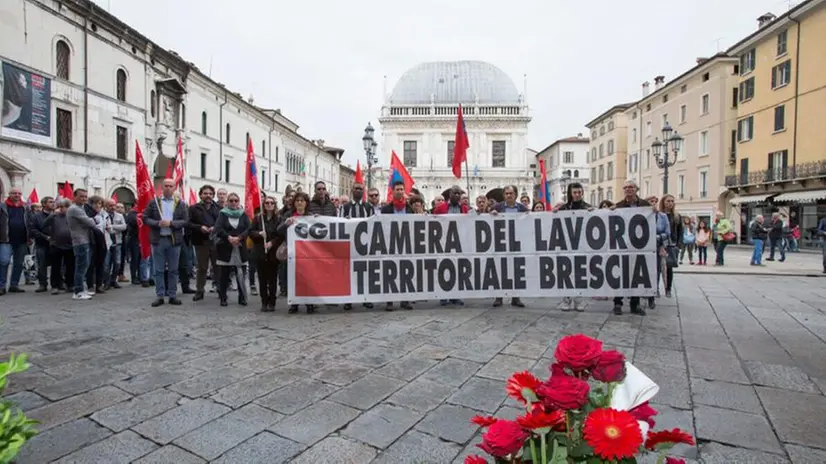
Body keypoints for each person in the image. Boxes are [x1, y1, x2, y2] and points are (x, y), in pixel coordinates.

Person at [143, 178, 189, 307]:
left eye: (171, 186)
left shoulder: (180, 203)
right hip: (158, 240)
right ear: (161, 188)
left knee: (173, 270)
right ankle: (160, 295)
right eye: (166, 186)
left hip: (174, 241)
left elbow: (185, 220)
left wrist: (172, 223)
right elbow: (146, 218)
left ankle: (172, 295)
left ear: (174, 188)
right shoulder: (154, 203)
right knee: (158, 270)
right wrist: (157, 223)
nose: (168, 188)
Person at [611, 180, 649, 316]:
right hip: (622, 246)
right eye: (626, 187)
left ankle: (635, 304)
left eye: (631, 187)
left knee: (636, 276)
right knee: (619, 275)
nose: (628, 189)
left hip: (639, 246)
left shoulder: (645, 206)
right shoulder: (618, 206)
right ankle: (617, 303)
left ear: (636, 189)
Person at [490, 185, 527, 308]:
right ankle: (498, 297)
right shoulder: (497, 207)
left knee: (516, 270)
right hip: (501, 242)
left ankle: (515, 297)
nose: (509, 195)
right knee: (500, 269)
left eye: (511, 193)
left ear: (515, 195)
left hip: (516, 243)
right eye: (507, 193)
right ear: (504, 195)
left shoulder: (522, 208)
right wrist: (491, 213)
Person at [555, 182, 591, 311]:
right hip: (566, 245)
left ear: (582, 193)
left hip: (582, 245)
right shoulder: (564, 208)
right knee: (566, 273)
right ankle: (566, 299)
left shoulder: (588, 207)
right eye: (575, 192)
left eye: (579, 192)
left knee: (580, 273)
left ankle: (579, 300)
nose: (577, 195)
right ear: (571, 193)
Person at [277, 191, 315, 314]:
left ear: (306, 203)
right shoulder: (288, 215)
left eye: (302, 200)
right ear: (294, 203)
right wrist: (286, 223)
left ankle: (310, 304)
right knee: (293, 278)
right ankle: (294, 304)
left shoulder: (311, 216)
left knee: (308, 279)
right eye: (297, 200)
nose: (299, 203)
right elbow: (279, 230)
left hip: (307, 253)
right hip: (292, 252)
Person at [339, 182, 374, 311]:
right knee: (349, 273)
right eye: (356, 189)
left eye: (361, 189)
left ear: (363, 191)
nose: (358, 191)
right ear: (352, 190)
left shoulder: (368, 207)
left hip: (365, 244)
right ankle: (348, 299)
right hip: (349, 244)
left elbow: (373, 223)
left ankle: (366, 298)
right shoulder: (345, 207)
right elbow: (339, 223)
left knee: (365, 272)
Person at [380, 181, 414, 311]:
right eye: (397, 189)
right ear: (392, 191)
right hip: (390, 245)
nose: (400, 192)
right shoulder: (386, 210)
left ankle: (405, 300)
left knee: (406, 272)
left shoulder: (409, 209)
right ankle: (389, 301)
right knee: (390, 272)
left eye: (402, 189)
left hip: (406, 244)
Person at [213, 192, 251, 307]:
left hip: (240, 248)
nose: (233, 203)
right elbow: (218, 228)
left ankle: (242, 297)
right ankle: (223, 298)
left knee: (241, 274)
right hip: (225, 247)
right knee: (224, 275)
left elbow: (248, 228)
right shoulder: (223, 214)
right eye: (231, 200)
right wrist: (229, 237)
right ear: (227, 202)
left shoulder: (243, 214)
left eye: (236, 200)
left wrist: (239, 238)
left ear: (239, 202)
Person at [188, 184, 220, 301]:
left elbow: (221, 224)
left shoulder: (218, 208)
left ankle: (220, 290)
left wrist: (214, 228)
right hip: (201, 242)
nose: (208, 196)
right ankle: (200, 290)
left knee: (218, 267)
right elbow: (189, 223)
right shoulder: (193, 208)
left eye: (210, 194)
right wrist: (199, 227)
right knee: (202, 268)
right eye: (205, 193)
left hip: (215, 242)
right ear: (201, 195)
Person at [250, 196, 281, 312]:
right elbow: (250, 232)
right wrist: (258, 234)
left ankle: (272, 302)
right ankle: (264, 301)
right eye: (267, 203)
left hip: (273, 253)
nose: (269, 205)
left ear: (274, 205)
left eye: (271, 203)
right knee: (262, 279)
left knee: (272, 279)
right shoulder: (258, 218)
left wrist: (272, 243)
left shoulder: (278, 218)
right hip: (260, 252)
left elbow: (280, 235)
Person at [66, 189, 97, 300]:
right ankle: (78, 291)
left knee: (84, 266)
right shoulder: (75, 209)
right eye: (81, 196)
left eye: (85, 196)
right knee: (81, 267)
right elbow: (91, 222)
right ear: (75, 197)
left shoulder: (80, 208)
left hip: (84, 240)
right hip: (80, 241)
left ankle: (82, 289)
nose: (84, 198)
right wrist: (93, 220)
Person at [0, 187, 28, 294]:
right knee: (4, 262)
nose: (17, 195)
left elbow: (29, 222)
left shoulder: (25, 207)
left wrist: (29, 236)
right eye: (14, 193)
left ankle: (14, 285)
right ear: (9, 194)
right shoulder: (2, 206)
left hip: (22, 240)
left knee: (19, 263)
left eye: (19, 193)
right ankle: (1, 286)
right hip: (6, 239)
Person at [43, 198, 74, 294]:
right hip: (56, 245)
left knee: (70, 266)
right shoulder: (54, 216)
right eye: (60, 207)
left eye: (65, 207)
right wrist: (52, 215)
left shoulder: (72, 216)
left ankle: (70, 285)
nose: (62, 209)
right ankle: (55, 286)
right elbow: (44, 224)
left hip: (70, 245)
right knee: (55, 267)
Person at [28, 196, 54, 292]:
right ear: (44, 204)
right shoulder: (37, 216)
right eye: (50, 202)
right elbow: (33, 230)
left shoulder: (56, 214)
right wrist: (45, 237)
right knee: (42, 264)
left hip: (55, 244)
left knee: (56, 264)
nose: (53, 203)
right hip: (42, 244)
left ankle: (57, 283)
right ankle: (43, 284)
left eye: (53, 201)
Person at [102, 199, 126, 289]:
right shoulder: (103, 215)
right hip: (107, 243)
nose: (113, 207)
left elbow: (124, 226)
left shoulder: (119, 216)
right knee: (106, 265)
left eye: (114, 205)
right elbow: (104, 228)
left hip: (117, 243)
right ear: (106, 206)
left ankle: (113, 280)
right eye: (110, 205)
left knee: (117, 263)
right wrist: (114, 229)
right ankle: (107, 282)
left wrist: (112, 227)